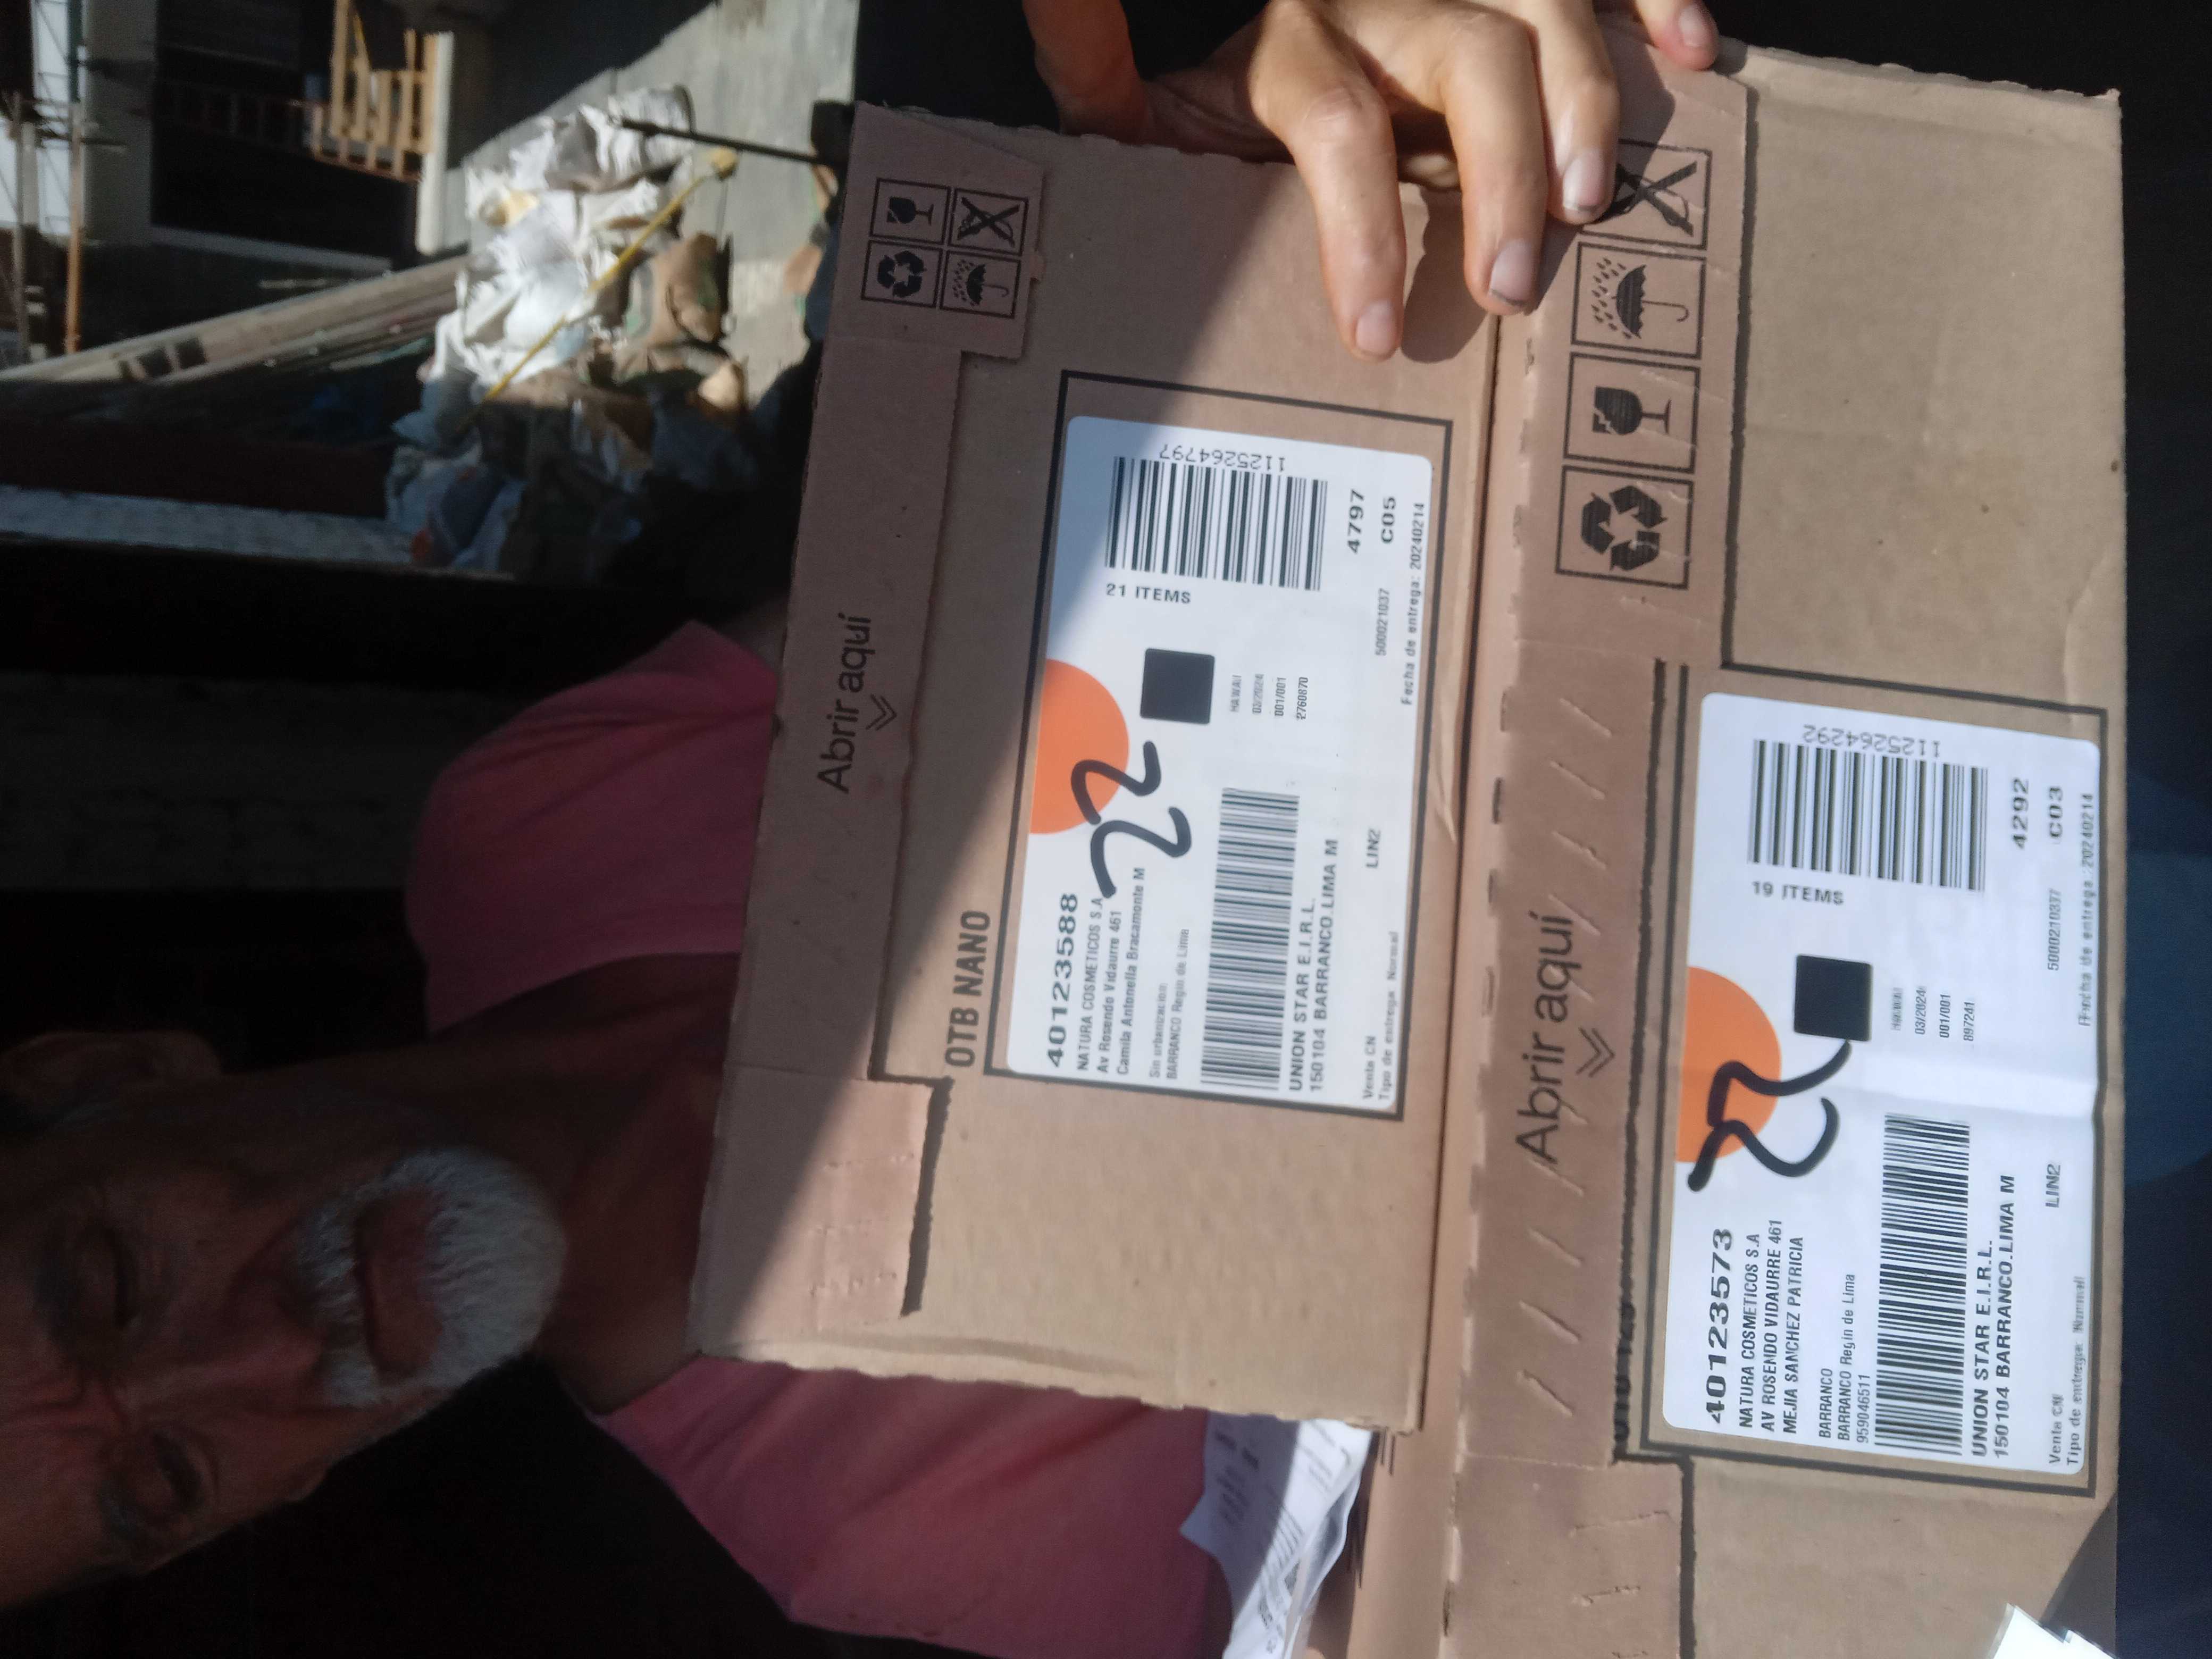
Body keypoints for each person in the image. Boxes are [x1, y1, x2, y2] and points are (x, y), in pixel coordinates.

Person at [0, 1, 1715, 1651]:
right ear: (262, 1510)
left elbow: (1058, 497)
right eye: (165, 1477)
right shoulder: (910, 1535)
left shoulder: (531, 828)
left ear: (113, 1078)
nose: (265, 1355)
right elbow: (1583, 1469)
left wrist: (1217, 243)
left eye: (107, 1283)